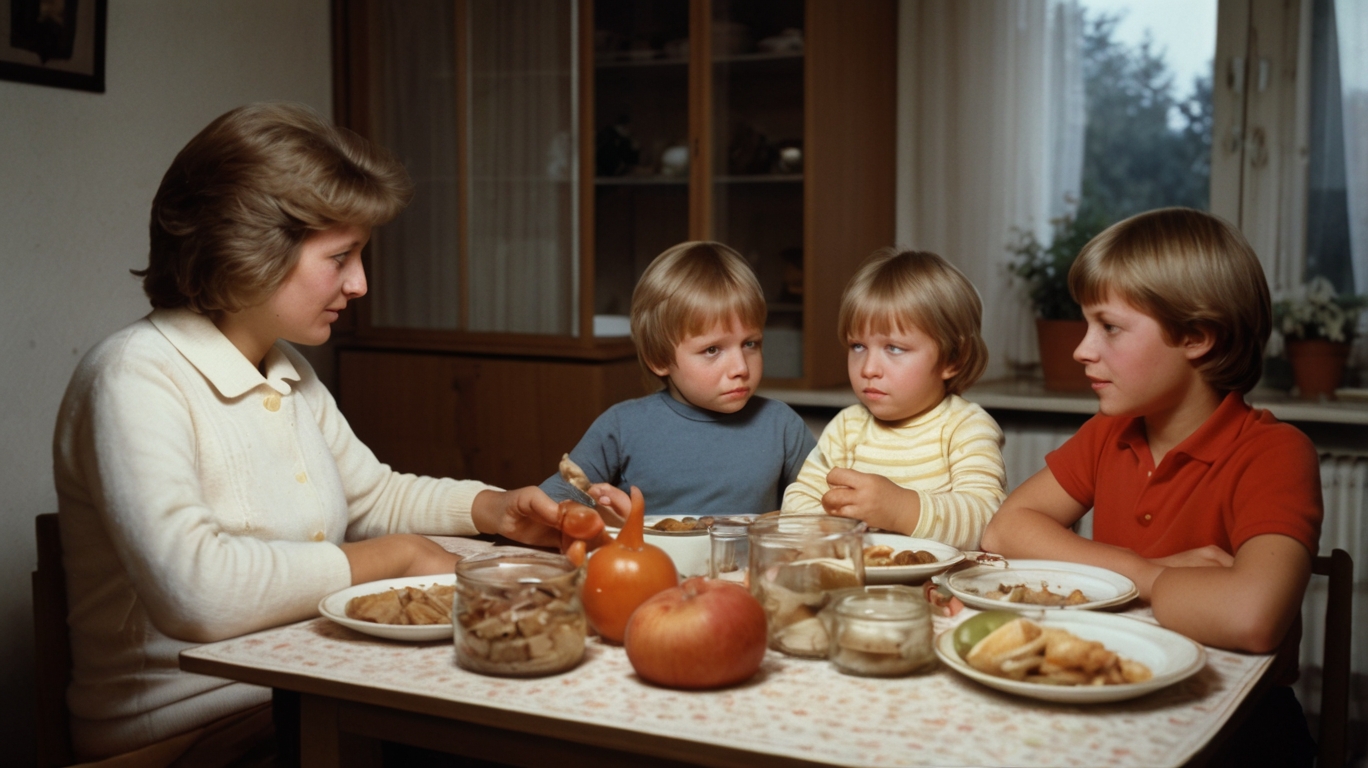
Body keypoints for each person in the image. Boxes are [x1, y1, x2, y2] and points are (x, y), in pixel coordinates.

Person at [51, 102, 602, 765]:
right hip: (189, 734)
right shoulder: (133, 376)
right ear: (247, 251)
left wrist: (495, 511)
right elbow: (198, 592)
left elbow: (373, 497)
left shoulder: (287, 371)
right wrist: (397, 557)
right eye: (340, 257)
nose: (360, 283)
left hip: (306, 691)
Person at [980, 208, 1321, 767]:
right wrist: (1151, 574)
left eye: (1109, 327)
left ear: (1197, 336)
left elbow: (1251, 618)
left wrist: (1137, 578)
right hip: (1118, 689)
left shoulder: (1275, 454)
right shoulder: (1108, 432)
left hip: (1239, 730)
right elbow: (1005, 529)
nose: (1082, 349)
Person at [539, 241, 816, 519]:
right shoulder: (622, 427)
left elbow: (821, 507)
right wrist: (573, 510)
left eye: (750, 344)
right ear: (659, 359)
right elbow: (556, 501)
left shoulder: (782, 426)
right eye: (712, 350)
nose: (740, 368)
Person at [781, 249, 1006, 549]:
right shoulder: (847, 427)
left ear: (953, 358)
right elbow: (797, 504)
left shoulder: (966, 427)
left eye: (894, 348)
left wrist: (899, 509)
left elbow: (987, 520)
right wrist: (834, 526)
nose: (869, 369)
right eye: (858, 346)